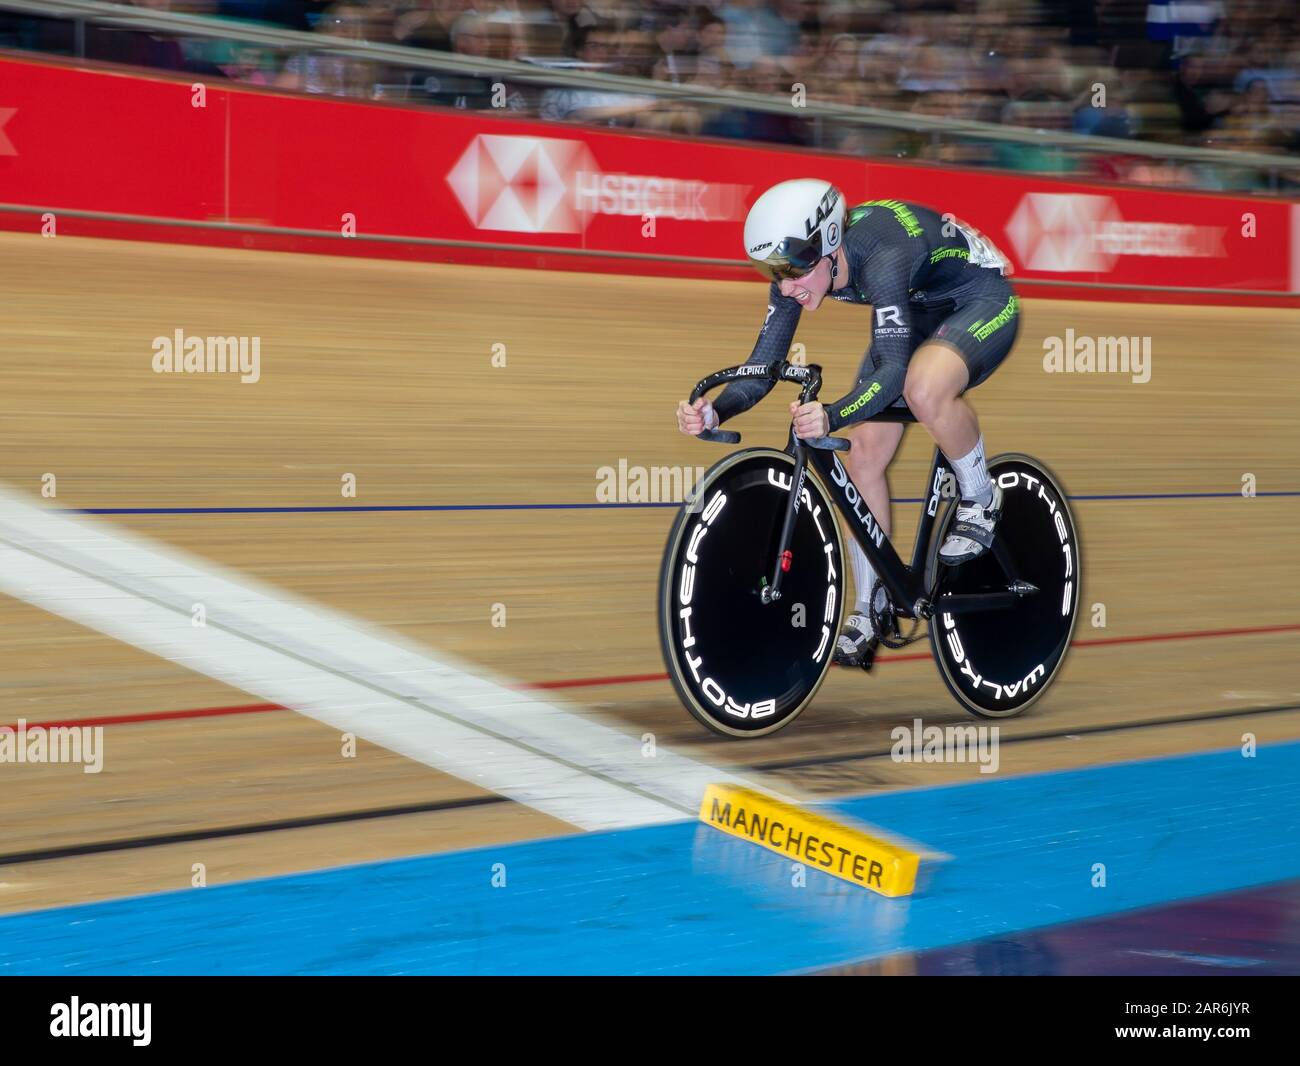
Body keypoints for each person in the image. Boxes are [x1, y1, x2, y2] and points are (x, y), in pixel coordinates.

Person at [675, 178, 1019, 670]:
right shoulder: (797, 277)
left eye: (793, 269)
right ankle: (869, 605)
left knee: (922, 387)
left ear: (830, 246)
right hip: (916, 307)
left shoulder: (881, 255)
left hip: (979, 299)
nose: (786, 285)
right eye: (772, 271)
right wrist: (718, 409)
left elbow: (895, 372)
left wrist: (832, 414)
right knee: (862, 454)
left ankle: (982, 497)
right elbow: (764, 366)